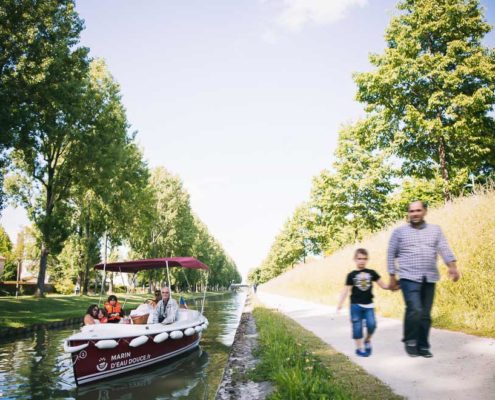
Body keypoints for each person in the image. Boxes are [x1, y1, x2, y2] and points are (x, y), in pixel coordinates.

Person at [387, 200, 460, 358]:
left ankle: (423, 345)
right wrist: (392, 276)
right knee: (415, 309)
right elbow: (391, 254)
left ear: (425, 211)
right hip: (408, 277)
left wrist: (452, 267)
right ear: (408, 213)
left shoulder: (435, 230)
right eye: (412, 211)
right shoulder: (399, 232)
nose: (415, 214)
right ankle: (411, 340)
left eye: (418, 210)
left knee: (425, 314)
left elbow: (444, 249)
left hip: (429, 277)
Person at [337, 248, 389, 357]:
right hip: (355, 305)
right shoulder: (351, 275)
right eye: (359, 258)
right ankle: (359, 348)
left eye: (364, 259)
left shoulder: (372, 273)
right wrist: (340, 303)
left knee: (372, 325)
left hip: (369, 305)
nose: (362, 261)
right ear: (355, 260)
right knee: (357, 328)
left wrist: (393, 286)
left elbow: (383, 285)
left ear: (367, 260)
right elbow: (345, 290)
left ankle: (367, 340)